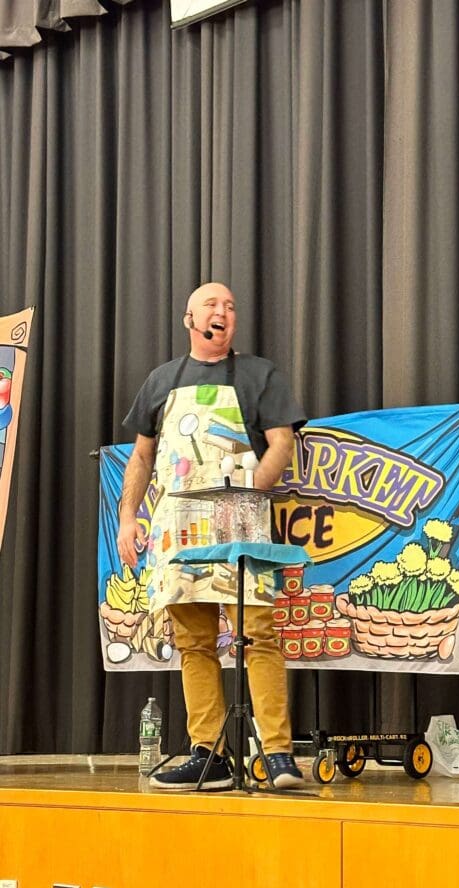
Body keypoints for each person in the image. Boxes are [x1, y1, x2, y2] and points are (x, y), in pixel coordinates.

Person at [117, 282, 306, 790]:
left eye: (229, 306)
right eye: (211, 305)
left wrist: (251, 492)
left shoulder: (259, 373)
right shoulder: (160, 381)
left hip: (240, 521)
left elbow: (282, 442)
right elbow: (141, 457)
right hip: (177, 528)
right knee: (194, 643)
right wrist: (127, 517)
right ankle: (210, 754)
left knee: (260, 636)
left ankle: (278, 753)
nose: (222, 312)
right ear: (189, 319)